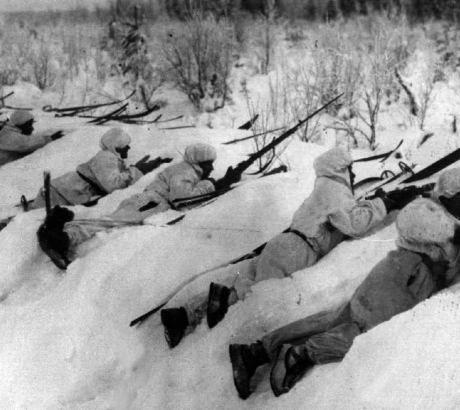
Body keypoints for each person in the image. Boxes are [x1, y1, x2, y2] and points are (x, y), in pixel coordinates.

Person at [228, 166, 460, 399]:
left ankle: (255, 352)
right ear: (449, 194)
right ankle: (299, 355)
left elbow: (452, 269)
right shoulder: (428, 207)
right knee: (367, 336)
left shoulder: (454, 222)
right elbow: (410, 222)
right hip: (402, 276)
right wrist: (455, 233)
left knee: (337, 321)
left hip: (407, 280)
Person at [159, 144, 402, 348]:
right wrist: (383, 204)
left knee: (245, 280)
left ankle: (184, 314)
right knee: (257, 294)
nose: (354, 175)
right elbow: (354, 224)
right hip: (298, 250)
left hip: (282, 243)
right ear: (341, 169)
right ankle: (220, 304)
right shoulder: (336, 191)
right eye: (351, 169)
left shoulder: (322, 188)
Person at [38, 142, 219, 268]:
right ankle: (63, 238)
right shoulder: (185, 171)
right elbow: (181, 199)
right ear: (198, 161)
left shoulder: (184, 169)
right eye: (209, 164)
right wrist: (210, 185)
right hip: (151, 203)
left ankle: (60, 228)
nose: (211, 168)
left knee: (109, 220)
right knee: (110, 223)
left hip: (146, 201)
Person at [40, 127, 162, 207]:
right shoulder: (106, 157)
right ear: (115, 146)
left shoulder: (109, 156)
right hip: (58, 194)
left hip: (64, 192)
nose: (128, 148)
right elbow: (113, 185)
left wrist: (135, 168)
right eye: (125, 145)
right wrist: (138, 170)